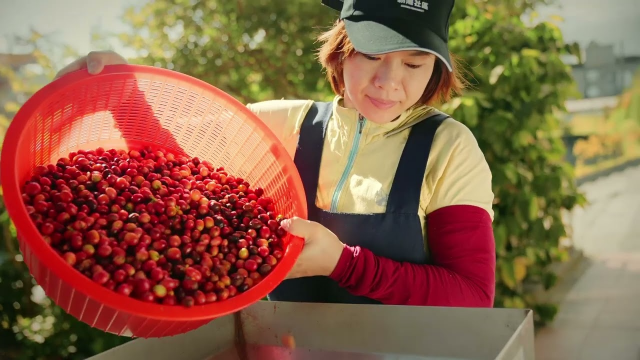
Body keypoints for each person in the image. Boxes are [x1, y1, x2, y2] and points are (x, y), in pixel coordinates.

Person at [54, 0, 496, 308]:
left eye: (413, 64)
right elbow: (166, 164)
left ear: (436, 68)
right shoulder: (285, 125)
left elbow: (473, 296)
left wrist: (344, 264)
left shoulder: (448, 149)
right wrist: (123, 92)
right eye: (371, 54)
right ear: (341, 51)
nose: (388, 81)